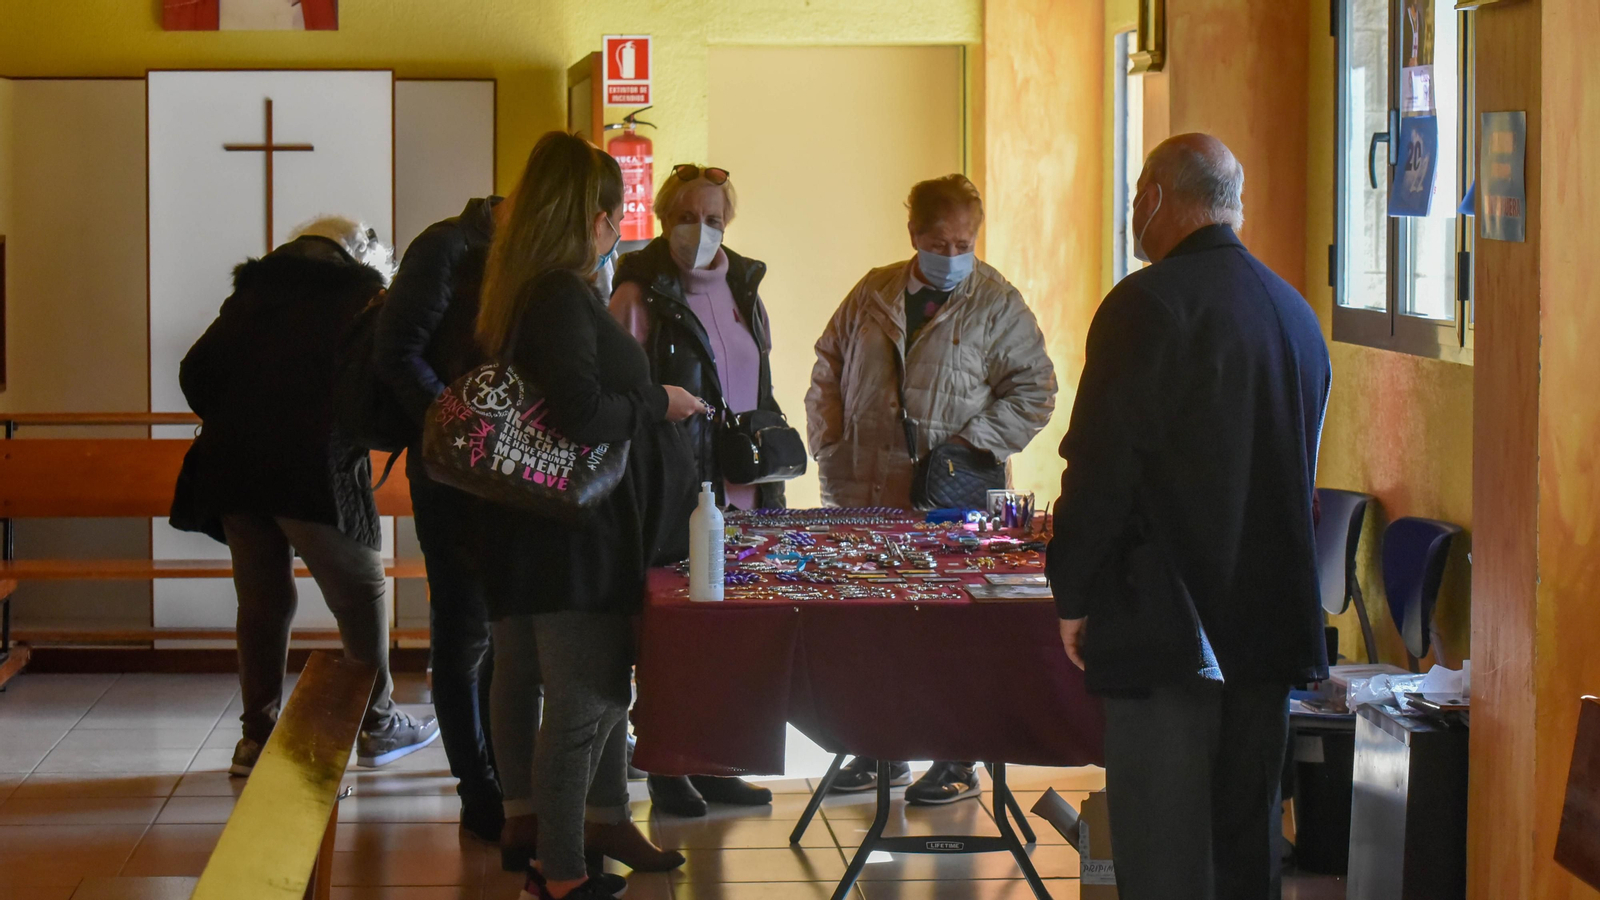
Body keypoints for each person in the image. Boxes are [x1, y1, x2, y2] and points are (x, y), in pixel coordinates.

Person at [1048, 134, 1331, 900]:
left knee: (1166, 853)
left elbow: (1103, 468)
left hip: (1167, 623)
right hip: (1268, 626)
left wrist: (1072, 592)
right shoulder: (1295, 313)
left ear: (1156, 199)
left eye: (1139, 194)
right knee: (1245, 849)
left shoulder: (1147, 305)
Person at [474, 131, 703, 900]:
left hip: (555, 531)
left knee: (595, 693)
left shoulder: (526, 288)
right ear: (594, 217)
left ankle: (598, 827)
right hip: (572, 538)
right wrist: (657, 401)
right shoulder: (558, 295)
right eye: (616, 212)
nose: (619, 225)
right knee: (584, 702)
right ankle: (561, 871)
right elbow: (580, 411)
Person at [805, 174, 1057, 805]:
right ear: (913, 234)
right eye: (939, 240)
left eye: (964, 240)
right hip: (863, 491)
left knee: (951, 631)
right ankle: (877, 747)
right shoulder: (874, 290)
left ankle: (956, 756)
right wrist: (829, 443)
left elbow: (1035, 391)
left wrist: (968, 446)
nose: (952, 253)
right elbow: (827, 366)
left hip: (951, 497)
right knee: (872, 626)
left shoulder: (997, 303)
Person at [173, 216, 439, 778]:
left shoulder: (251, 292)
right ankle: (377, 723)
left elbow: (195, 371)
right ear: (357, 252)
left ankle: (256, 736)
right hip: (313, 471)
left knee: (262, 601)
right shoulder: (363, 297)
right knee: (361, 592)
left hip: (236, 472)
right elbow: (379, 385)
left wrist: (238, 418)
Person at [609, 163, 780, 818]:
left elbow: (760, 387)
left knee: (726, 634)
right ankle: (665, 764)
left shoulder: (747, 289)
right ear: (661, 221)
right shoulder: (637, 295)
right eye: (686, 218)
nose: (700, 232)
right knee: (669, 634)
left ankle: (713, 760)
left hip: (738, 488)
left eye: (713, 220)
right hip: (670, 490)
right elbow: (622, 400)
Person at [374, 196, 505, 842]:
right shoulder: (445, 248)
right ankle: (476, 787)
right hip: (451, 472)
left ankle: (500, 776)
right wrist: (455, 425)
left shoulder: (524, 258)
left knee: (494, 634)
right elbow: (397, 350)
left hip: (504, 474)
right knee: (462, 632)